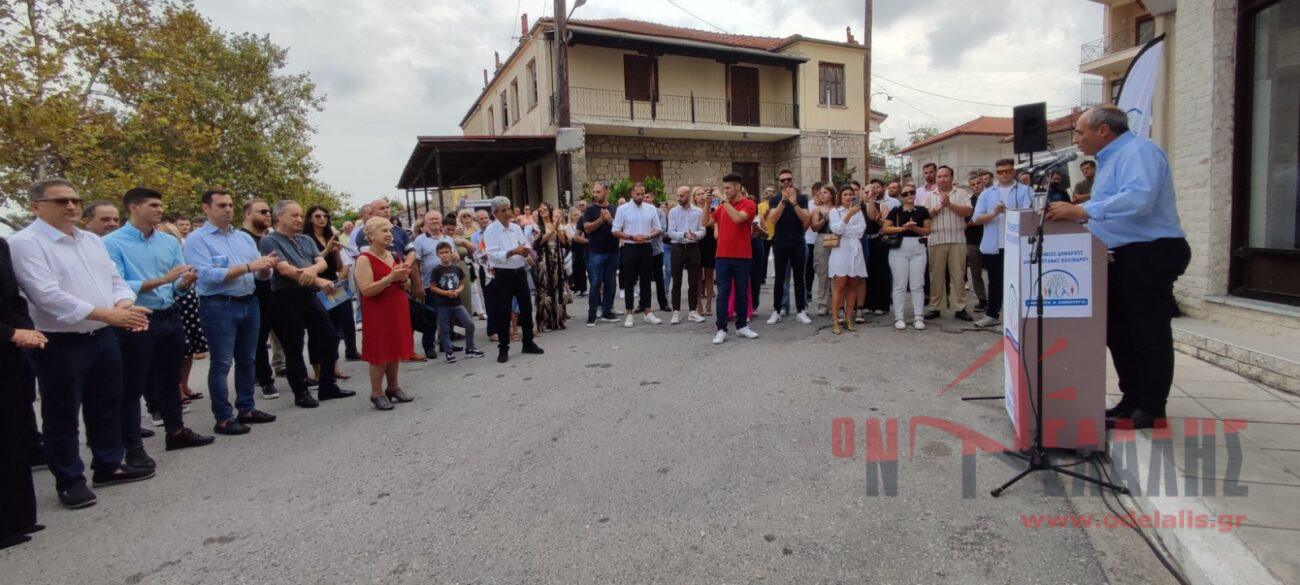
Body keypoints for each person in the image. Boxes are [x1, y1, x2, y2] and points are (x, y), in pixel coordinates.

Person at [10, 178, 155, 509]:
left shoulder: (90, 240)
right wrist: (109, 314)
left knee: (106, 403)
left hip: (102, 335)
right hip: (60, 341)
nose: (71, 206)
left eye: (75, 200)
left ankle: (108, 464)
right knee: (62, 412)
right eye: (61, 201)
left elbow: (115, 279)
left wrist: (123, 305)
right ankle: (70, 480)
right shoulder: (26, 243)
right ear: (36, 206)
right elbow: (46, 295)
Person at [1046, 104, 1189, 430]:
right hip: (1120, 254)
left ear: (1104, 130)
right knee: (1119, 331)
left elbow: (1139, 199)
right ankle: (1131, 401)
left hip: (1149, 252)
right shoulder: (1109, 159)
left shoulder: (1138, 152)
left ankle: (1151, 409)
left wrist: (1083, 212)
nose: (1076, 139)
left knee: (1147, 332)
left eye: (1080, 132)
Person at [103, 187, 216, 468]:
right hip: (137, 318)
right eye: (153, 205)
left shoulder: (168, 241)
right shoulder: (111, 243)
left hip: (170, 315)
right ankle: (133, 447)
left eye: (160, 205)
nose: (160, 209)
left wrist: (183, 283)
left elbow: (176, 281)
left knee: (170, 378)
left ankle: (175, 431)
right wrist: (165, 280)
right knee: (133, 384)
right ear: (133, 207)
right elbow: (118, 284)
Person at [186, 189, 283, 435]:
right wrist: (249, 266)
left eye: (230, 205)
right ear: (206, 208)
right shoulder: (197, 239)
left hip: (249, 302)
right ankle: (223, 418)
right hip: (218, 305)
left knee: (247, 359)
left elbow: (261, 274)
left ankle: (246, 409)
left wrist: (265, 268)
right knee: (221, 363)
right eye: (221, 205)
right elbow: (206, 275)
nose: (228, 209)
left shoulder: (243, 238)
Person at [259, 200, 356, 407]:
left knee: (330, 336)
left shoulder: (305, 239)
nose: (299, 219)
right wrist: (318, 279)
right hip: (286, 297)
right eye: (294, 215)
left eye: (301, 215)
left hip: (310, 295)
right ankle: (301, 391)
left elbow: (321, 262)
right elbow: (285, 270)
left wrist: (312, 271)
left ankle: (327, 385)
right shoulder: (269, 241)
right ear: (279, 217)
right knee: (293, 346)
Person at [0, 234, 44, 546]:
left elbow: (13, 298)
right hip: (7, 338)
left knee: (14, 433)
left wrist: (26, 330)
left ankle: (19, 517)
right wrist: (9, 333)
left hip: (11, 353)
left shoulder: (1, 245)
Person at [352, 217, 417, 410]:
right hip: (378, 311)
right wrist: (389, 278)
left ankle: (394, 387)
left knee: (395, 348)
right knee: (379, 353)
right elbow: (366, 289)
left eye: (390, 231)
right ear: (371, 235)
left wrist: (404, 279)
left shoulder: (393, 255)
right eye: (384, 231)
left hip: (397, 307)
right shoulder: (364, 259)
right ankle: (376, 393)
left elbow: (406, 285)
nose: (389, 234)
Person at [972, 158, 1035, 328]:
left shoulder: (1025, 190)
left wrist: (1008, 212)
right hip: (994, 245)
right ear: (996, 173)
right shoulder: (987, 193)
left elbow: (1030, 215)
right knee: (995, 281)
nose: (1004, 174)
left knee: (1019, 280)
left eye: (1008, 171)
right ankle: (992, 314)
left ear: (1013, 171)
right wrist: (994, 213)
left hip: (1016, 244)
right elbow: (976, 218)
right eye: (1000, 172)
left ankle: (1020, 316)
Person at [235, 199, 286, 399]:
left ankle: (297, 376)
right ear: (248, 213)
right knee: (258, 341)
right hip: (255, 295)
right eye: (262, 211)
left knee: (288, 336)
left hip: (278, 293)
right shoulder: (240, 239)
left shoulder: (270, 238)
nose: (267, 215)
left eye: (269, 212)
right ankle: (265, 380)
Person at [484, 197, 544, 362]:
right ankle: (503, 348)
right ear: (495, 213)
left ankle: (528, 343)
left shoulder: (516, 228)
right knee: (504, 312)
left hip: (519, 271)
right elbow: (492, 255)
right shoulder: (491, 231)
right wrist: (513, 251)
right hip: (503, 274)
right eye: (503, 210)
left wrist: (526, 252)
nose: (508, 213)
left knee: (526, 308)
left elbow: (526, 245)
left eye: (509, 209)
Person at [702, 173, 759, 344]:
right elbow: (705, 222)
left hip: (742, 256)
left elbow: (739, 218)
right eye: (724, 188)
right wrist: (707, 203)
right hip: (722, 256)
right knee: (723, 294)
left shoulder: (749, 204)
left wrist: (723, 200)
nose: (725, 191)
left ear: (738, 187)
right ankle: (721, 329)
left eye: (728, 188)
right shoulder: (722, 207)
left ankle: (742, 326)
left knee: (742, 292)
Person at [306, 205, 357, 375]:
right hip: (316, 285)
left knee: (336, 327)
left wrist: (335, 253)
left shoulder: (330, 236)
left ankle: (334, 368)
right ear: (310, 219)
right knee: (318, 330)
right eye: (317, 216)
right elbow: (308, 264)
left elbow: (340, 267)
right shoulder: (306, 238)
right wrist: (327, 250)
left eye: (325, 216)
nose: (322, 219)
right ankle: (318, 371)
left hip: (334, 284)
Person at [922, 166, 975, 322]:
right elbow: (924, 217)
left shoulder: (962, 193)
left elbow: (968, 212)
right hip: (936, 239)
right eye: (939, 176)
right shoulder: (930, 196)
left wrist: (949, 205)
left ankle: (959, 308)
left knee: (958, 275)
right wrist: (937, 209)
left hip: (957, 239)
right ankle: (936, 307)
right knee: (936, 275)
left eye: (945, 176)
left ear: (952, 177)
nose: (942, 179)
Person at [612, 182, 664, 327]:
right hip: (630, 247)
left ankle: (648, 312)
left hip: (646, 246)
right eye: (638, 194)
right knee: (629, 281)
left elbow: (658, 228)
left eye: (642, 194)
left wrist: (649, 235)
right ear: (632, 194)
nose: (640, 197)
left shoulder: (651, 208)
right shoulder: (623, 209)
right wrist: (631, 237)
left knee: (646, 280)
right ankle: (629, 313)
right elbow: (615, 230)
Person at [765, 170, 812, 325]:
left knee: (799, 278)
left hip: (798, 241)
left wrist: (794, 203)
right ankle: (777, 310)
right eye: (782, 180)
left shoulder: (802, 198)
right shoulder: (775, 199)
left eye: (788, 179)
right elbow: (773, 219)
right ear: (779, 182)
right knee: (780, 277)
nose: (786, 182)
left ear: (793, 180)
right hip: (780, 242)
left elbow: (806, 219)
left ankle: (801, 310)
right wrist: (784, 201)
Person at [882, 187, 932, 330]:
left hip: (918, 247)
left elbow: (928, 230)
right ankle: (899, 317)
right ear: (901, 196)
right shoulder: (896, 210)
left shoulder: (922, 210)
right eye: (905, 193)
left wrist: (915, 229)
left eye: (912, 192)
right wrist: (904, 228)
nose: (909, 195)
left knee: (917, 284)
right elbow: (885, 228)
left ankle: (919, 316)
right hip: (899, 248)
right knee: (900, 283)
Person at [428, 241, 485, 364]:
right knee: (445, 329)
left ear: (451, 253)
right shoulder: (436, 270)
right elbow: (432, 287)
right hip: (443, 304)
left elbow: (462, 283)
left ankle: (470, 349)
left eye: (446, 252)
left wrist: (458, 291)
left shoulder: (456, 268)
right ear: (438, 254)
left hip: (456, 303)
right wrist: (445, 293)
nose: (444, 255)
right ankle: (449, 352)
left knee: (469, 324)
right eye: (441, 253)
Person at [827, 185, 870, 335]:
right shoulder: (835, 211)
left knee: (853, 284)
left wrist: (845, 229)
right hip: (840, 251)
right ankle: (835, 320)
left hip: (855, 250)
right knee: (839, 285)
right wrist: (848, 215)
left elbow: (860, 230)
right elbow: (836, 230)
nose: (848, 197)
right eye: (845, 194)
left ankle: (848, 318)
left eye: (850, 194)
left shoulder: (859, 211)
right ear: (840, 196)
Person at [579, 182, 620, 326]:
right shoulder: (590, 210)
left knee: (610, 283)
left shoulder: (615, 209)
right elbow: (587, 229)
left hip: (613, 251)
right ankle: (592, 314)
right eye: (594, 192)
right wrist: (601, 220)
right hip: (596, 252)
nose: (595, 194)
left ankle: (607, 311)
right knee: (596, 283)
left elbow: (620, 228)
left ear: (606, 192)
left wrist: (610, 220)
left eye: (598, 192)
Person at [666, 185, 705, 324]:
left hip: (693, 247)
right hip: (678, 247)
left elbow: (703, 230)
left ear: (688, 196)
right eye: (677, 195)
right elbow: (670, 232)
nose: (679, 198)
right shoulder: (673, 212)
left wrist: (696, 235)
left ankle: (692, 311)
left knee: (693, 281)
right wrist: (683, 235)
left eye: (681, 196)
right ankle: (676, 311)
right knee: (676, 281)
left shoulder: (698, 211)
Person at [964, 171, 989, 312]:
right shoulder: (969, 201)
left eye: (978, 183)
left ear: (983, 183)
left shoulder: (991, 198)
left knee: (993, 272)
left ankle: (996, 298)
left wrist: (977, 219)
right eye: (972, 185)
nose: (976, 186)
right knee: (975, 272)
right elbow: (968, 221)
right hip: (973, 241)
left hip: (990, 240)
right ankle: (982, 298)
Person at [809, 184, 835, 316]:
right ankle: (823, 303)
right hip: (822, 238)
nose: (822, 195)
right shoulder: (816, 209)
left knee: (836, 272)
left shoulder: (837, 208)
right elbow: (814, 227)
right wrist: (825, 218)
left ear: (831, 194)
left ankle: (836, 303)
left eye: (825, 192)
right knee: (823, 271)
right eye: (820, 193)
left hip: (836, 238)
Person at [695, 187, 717, 317]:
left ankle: (708, 304)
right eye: (699, 194)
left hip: (710, 243)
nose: (702, 196)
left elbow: (713, 226)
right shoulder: (692, 211)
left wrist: (707, 210)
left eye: (703, 193)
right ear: (694, 197)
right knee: (698, 276)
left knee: (709, 275)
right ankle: (699, 304)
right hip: (697, 243)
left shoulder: (712, 209)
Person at [565, 208, 588, 298]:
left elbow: (583, 235)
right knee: (575, 269)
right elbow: (570, 238)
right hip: (574, 249)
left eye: (578, 214)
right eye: (575, 215)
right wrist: (577, 237)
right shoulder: (568, 226)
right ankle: (576, 289)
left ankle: (583, 289)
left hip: (582, 247)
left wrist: (577, 237)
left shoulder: (583, 224)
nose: (577, 216)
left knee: (583, 269)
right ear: (571, 216)